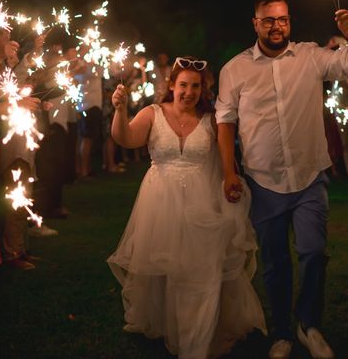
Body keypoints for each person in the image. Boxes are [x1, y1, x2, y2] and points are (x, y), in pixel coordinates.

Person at [216, 0, 348, 359]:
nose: (276, 26)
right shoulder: (234, 69)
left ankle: (308, 325)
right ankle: (282, 332)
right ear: (255, 23)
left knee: (313, 251)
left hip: (309, 177)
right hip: (262, 180)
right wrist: (228, 172)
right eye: (268, 20)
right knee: (274, 263)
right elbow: (225, 122)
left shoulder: (311, 56)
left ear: (290, 21)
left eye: (282, 19)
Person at [107, 56, 266, 358]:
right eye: (183, 85)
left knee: (200, 271)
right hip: (160, 202)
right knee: (167, 270)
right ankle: (167, 324)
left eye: (195, 86)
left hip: (202, 203)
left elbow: (225, 159)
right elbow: (125, 138)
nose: (189, 92)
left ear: (203, 89)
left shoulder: (212, 119)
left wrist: (230, 181)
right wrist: (119, 108)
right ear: (171, 85)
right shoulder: (153, 113)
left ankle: (197, 338)